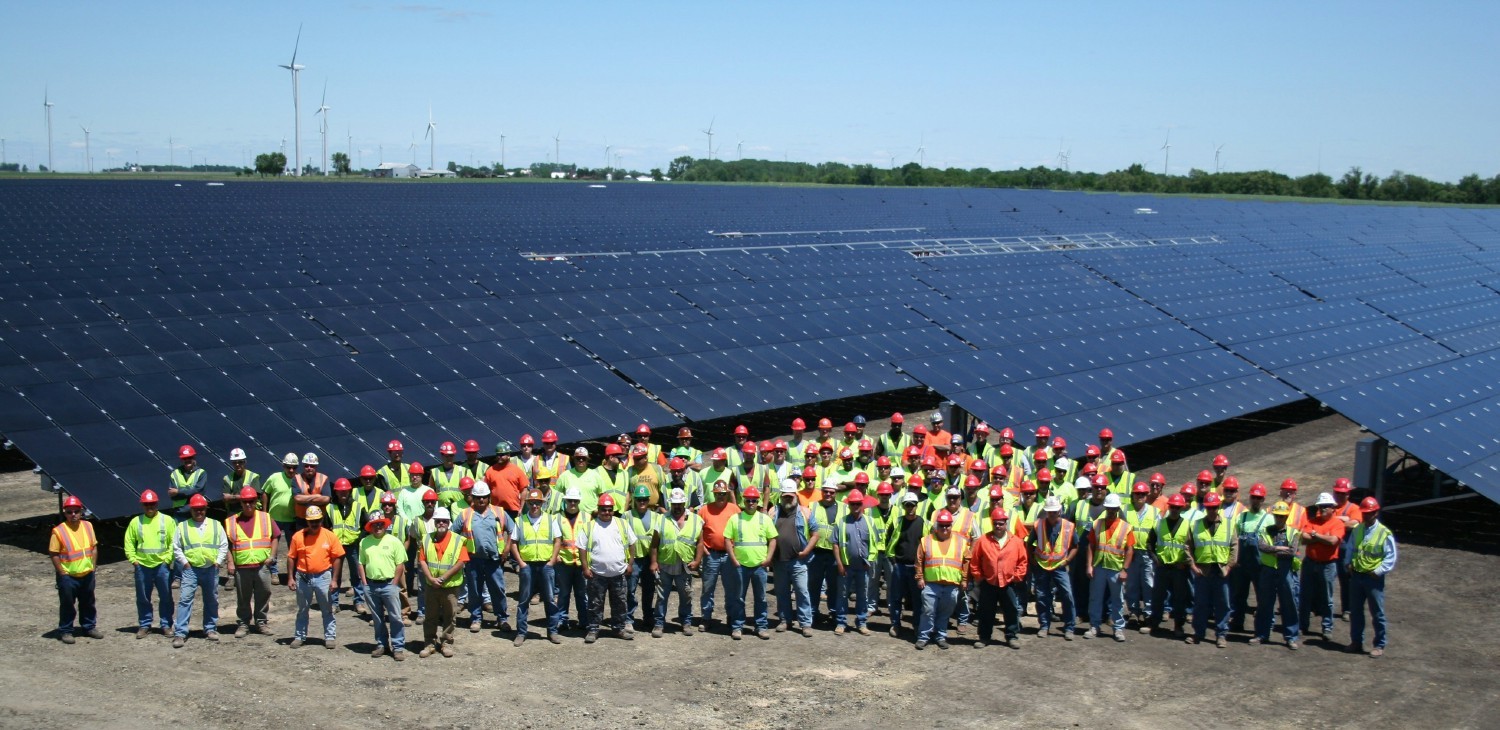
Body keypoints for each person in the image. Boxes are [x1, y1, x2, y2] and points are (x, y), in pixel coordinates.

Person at [455, 483, 519, 635]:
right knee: (474, 590)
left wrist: (507, 549)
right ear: (473, 498)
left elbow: (513, 530)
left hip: (494, 560)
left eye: (484, 497)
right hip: (473, 560)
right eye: (478, 497)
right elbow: (453, 534)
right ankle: (476, 618)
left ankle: (502, 618)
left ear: (488, 497)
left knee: (497, 589)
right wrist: (461, 553)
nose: (481, 500)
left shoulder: (499, 512)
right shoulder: (465, 514)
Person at [578, 494, 638, 642]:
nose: (606, 513)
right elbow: (582, 548)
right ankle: (593, 629)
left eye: (609, 509)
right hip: (597, 573)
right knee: (594, 603)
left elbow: (632, 544)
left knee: (620, 603)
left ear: (613, 510)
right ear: (598, 509)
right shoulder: (590, 526)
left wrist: (630, 564)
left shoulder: (622, 524)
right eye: (603, 509)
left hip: (619, 573)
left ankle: (619, 628)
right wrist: (585, 568)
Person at [172, 494, 227, 648]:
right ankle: (180, 633)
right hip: (191, 569)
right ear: (191, 510)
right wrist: (185, 563)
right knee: (185, 600)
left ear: (206, 509)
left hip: (210, 568)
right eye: (196, 509)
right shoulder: (182, 526)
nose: (199, 512)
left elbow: (223, 544)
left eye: (201, 509)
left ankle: (210, 629)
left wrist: (218, 562)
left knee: (211, 599)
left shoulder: (216, 525)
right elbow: (176, 547)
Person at [723, 486, 777, 640]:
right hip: (741, 566)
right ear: (743, 501)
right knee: (738, 597)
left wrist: (768, 559)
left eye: (754, 500)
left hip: (759, 566)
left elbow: (773, 539)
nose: (751, 503)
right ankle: (737, 626)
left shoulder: (764, 519)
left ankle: (761, 626)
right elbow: (727, 539)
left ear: (758, 501)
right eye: (748, 500)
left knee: (761, 598)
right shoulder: (735, 518)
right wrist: (733, 558)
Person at [970, 507, 1028, 649]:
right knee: (985, 611)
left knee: (1011, 610)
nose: (998, 526)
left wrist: (1017, 577)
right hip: (989, 582)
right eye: (995, 523)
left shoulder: (1016, 542)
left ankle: (1011, 636)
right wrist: (979, 577)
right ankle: (984, 637)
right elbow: (975, 561)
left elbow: (1023, 561)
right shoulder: (983, 541)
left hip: (1008, 583)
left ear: (1006, 523)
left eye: (1001, 523)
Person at [286, 505, 342, 649]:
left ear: (322, 520)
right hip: (303, 577)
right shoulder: (298, 536)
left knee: (327, 608)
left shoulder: (330, 536)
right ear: (307, 521)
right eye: (312, 521)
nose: (315, 523)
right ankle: (299, 636)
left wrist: (334, 579)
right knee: (302, 609)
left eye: (317, 520)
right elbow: (291, 557)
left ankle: (329, 637)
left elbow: (337, 558)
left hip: (323, 576)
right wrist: (290, 578)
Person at [1185, 493, 1237, 648]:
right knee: (1200, 604)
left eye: (1214, 507)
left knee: (1223, 604)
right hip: (1203, 570)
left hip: (1221, 570)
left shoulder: (1229, 524)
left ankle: (1221, 635)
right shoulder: (1195, 525)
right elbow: (1187, 547)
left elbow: (1234, 546)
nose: (1212, 510)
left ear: (1219, 507)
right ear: (1205, 508)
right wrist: (1193, 566)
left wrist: (1229, 566)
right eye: (1209, 508)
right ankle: (1198, 633)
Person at [226, 486, 279, 638]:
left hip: (262, 565)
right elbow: (228, 544)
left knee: (264, 594)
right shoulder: (232, 521)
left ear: (256, 501)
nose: (248, 504)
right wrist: (230, 562)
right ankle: (243, 624)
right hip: (242, 567)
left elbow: (275, 536)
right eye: (245, 502)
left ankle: (261, 622)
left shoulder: (265, 518)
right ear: (241, 503)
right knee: (243, 597)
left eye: (251, 501)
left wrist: (272, 556)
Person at [1348, 497, 1397, 657]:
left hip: (1373, 578)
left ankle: (1379, 644)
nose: (1365, 516)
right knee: (1355, 611)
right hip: (1357, 575)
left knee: (1377, 612)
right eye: (1364, 513)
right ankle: (1356, 642)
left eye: (1369, 513)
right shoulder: (1358, 529)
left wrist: (1378, 571)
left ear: (1375, 513)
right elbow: (1351, 547)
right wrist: (1347, 563)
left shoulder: (1384, 533)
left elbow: (1390, 556)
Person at [651, 488, 703, 637]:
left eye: (680, 503)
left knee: (686, 595)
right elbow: (654, 544)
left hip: (684, 566)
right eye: (674, 504)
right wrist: (654, 562)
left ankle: (686, 622)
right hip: (665, 564)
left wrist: (697, 560)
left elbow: (700, 543)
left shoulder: (696, 520)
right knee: (662, 596)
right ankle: (659, 624)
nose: (677, 506)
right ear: (670, 504)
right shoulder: (661, 519)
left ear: (685, 503)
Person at [417, 506, 469, 657]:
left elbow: (461, 561)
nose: (441, 524)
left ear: (448, 522)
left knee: (449, 615)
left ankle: (446, 643)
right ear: (434, 522)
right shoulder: (426, 538)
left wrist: (444, 577)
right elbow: (422, 560)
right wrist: (430, 578)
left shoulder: (458, 540)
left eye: (444, 521)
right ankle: (429, 643)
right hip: (431, 585)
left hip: (450, 586)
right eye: (438, 521)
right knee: (430, 616)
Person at [514, 488, 563, 645]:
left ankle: (552, 631)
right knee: (523, 600)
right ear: (527, 503)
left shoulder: (550, 519)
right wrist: (520, 563)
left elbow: (557, 540)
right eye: (531, 502)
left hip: (546, 565)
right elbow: (513, 543)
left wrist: (552, 561)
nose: (534, 506)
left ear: (542, 503)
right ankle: (521, 633)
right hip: (527, 565)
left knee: (549, 599)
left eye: (537, 503)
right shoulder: (520, 521)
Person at [914, 510, 969, 650]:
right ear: (937, 526)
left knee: (945, 613)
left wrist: (964, 580)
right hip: (931, 584)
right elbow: (919, 560)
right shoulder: (926, 540)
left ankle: (940, 636)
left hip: (952, 585)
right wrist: (919, 577)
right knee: (928, 610)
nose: (945, 528)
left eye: (948, 525)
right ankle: (923, 637)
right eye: (942, 525)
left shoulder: (961, 542)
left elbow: (966, 562)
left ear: (951, 525)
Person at [51, 495, 102, 644]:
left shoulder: (88, 526)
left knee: (88, 602)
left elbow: (94, 547)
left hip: (87, 573)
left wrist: (93, 566)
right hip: (68, 576)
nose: (73, 514)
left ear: (81, 512)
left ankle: (89, 627)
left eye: (76, 511)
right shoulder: (59, 531)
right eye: (69, 512)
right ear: (64, 512)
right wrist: (62, 572)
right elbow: (53, 554)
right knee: (67, 604)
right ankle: (66, 630)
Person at [125, 490, 176, 638]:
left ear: (157, 504)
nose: (150, 507)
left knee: (166, 596)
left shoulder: (167, 520)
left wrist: (167, 560)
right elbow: (129, 542)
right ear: (142, 505)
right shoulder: (136, 522)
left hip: (162, 565)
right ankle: (144, 624)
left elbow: (174, 542)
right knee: (143, 597)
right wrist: (133, 560)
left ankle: (166, 625)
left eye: (152, 504)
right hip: (142, 566)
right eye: (147, 504)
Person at [1253, 501, 1303, 649]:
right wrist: (1280, 548)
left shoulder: (1293, 532)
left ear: (1287, 517)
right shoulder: (1265, 530)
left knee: (1289, 603)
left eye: (1282, 516)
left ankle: (1291, 637)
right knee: (1264, 603)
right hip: (1268, 569)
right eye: (1277, 516)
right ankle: (1262, 634)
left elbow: (1292, 551)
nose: (1279, 519)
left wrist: (1273, 549)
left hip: (1285, 570)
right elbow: (1262, 547)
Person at [769, 479, 815, 636]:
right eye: (785, 496)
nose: (788, 498)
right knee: (782, 592)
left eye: (791, 496)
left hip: (798, 560)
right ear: (781, 496)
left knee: (802, 591)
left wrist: (807, 550)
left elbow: (815, 534)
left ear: (796, 495)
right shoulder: (773, 512)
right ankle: (784, 620)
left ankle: (805, 623)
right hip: (779, 561)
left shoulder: (805, 512)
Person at [359, 513, 408, 660]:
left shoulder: (394, 541)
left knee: (395, 617)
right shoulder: (364, 542)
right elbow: (361, 563)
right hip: (371, 585)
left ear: (385, 525)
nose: (378, 527)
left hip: (389, 584)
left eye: (380, 524)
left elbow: (400, 564)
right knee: (377, 618)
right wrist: (364, 583)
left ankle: (398, 647)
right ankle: (382, 644)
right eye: (375, 524)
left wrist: (394, 583)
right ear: (370, 526)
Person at [1086, 493, 1134, 642]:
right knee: (1095, 598)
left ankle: (1118, 628)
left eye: (1114, 509)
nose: (1111, 511)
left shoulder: (1126, 527)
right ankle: (1094, 626)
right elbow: (1091, 546)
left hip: (1116, 568)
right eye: (1109, 508)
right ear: (1105, 508)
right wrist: (1089, 565)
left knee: (1117, 600)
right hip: (1099, 566)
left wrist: (1125, 569)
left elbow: (1130, 549)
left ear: (1118, 509)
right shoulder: (1097, 524)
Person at [1300, 492, 1346, 642]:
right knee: (1305, 595)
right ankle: (1302, 625)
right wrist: (1321, 537)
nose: (1323, 509)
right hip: (1310, 562)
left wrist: (1316, 535)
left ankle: (1327, 627)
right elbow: (1303, 538)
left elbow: (1333, 541)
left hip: (1328, 565)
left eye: (1326, 507)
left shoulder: (1338, 524)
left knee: (1327, 598)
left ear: (1333, 508)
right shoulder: (1312, 521)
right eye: (1321, 507)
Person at [695, 480, 740, 630]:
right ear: (713, 494)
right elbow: (697, 531)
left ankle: (731, 616)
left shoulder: (734, 509)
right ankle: (706, 617)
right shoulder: (704, 510)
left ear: (727, 494)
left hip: (729, 554)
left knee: (731, 588)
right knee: (708, 587)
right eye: (717, 494)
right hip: (711, 554)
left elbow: (740, 531)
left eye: (723, 494)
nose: (720, 497)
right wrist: (703, 550)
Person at [1147, 494, 1193, 637]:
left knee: (1180, 598)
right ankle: (1154, 624)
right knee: (1158, 597)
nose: (1174, 510)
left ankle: (1178, 626)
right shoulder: (1159, 524)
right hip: (1162, 567)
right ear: (1168, 507)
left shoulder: (1188, 525)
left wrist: (1185, 562)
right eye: (1172, 507)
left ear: (1182, 508)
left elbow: (1193, 547)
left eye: (1177, 507)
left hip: (1179, 568)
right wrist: (1155, 560)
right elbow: (1149, 544)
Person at [1229, 483, 1273, 634]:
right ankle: (1237, 622)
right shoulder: (1242, 517)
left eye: (1259, 498)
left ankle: (1263, 626)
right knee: (1239, 595)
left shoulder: (1269, 520)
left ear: (1263, 499)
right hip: (1242, 564)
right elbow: (1234, 539)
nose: (1256, 500)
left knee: (1263, 597)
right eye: (1253, 497)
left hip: (1259, 565)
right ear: (1250, 498)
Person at [834, 489, 878, 636]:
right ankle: (841, 622)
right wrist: (839, 563)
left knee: (862, 596)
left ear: (862, 504)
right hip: (846, 567)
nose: (855, 506)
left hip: (863, 567)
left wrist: (870, 561)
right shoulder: (842, 522)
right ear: (849, 505)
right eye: (853, 504)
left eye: (858, 503)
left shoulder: (870, 521)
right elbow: (836, 544)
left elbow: (874, 543)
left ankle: (861, 622)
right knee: (842, 595)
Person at [1032, 496, 1077, 640]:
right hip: (1042, 566)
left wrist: (1068, 560)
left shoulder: (1068, 526)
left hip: (1059, 566)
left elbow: (1075, 546)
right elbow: (1028, 544)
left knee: (1067, 595)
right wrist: (1033, 560)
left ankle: (1069, 627)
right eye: (1049, 512)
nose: (1051, 514)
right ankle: (1044, 626)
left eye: (1054, 511)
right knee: (1042, 597)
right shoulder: (1038, 525)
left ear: (1059, 511)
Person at [325, 479, 365, 614]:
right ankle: (334, 603)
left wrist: (359, 539)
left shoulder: (358, 507)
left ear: (349, 491)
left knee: (357, 575)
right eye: (340, 491)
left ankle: (359, 602)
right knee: (334, 576)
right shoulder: (330, 508)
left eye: (345, 491)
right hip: (336, 546)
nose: (343, 493)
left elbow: (366, 526)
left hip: (353, 546)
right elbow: (325, 527)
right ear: (335, 492)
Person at [807, 482, 845, 627]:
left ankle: (834, 612)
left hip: (835, 553)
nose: (828, 494)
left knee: (835, 586)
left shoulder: (844, 507)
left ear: (836, 493)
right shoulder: (813, 506)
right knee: (814, 585)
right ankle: (812, 613)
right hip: (816, 552)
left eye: (831, 492)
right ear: (821, 491)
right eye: (826, 491)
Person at [623, 486, 662, 627]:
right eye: (639, 500)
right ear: (634, 500)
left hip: (650, 559)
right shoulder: (626, 516)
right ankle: (628, 619)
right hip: (633, 560)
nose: (642, 502)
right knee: (630, 590)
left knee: (649, 589)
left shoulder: (656, 516)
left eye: (644, 499)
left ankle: (648, 616)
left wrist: (657, 561)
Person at [1121, 483, 1158, 628]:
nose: (1140, 497)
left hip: (1147, 553)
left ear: (1147, 495)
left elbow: (1158, 534)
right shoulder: (1126, 510)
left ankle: (1148, 613)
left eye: (1143, 494)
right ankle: (1133, 612)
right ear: (1133, 495)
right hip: (1131, 553)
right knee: (1132, 584)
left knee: (1149, 584)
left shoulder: (1154, 512)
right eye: (1137, 494)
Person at [553, 487, 589, 632]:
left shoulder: (587, 517)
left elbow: (591, 540)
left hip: (582, 563)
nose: (572, 503)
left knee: (582, 594)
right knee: (563, 593)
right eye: (570, 500)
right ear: (565, 501)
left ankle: (584, 620)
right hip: (564, 563)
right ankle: (562, 620)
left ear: (579, 501)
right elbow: (553, 539)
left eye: (575, 500)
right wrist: (556, 556)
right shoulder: (557, 517)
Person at [484, 441, 529, 519]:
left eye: (502, 455)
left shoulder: (516, 470)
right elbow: (485, 491)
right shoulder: (490, 471)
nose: (499, 457)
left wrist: (521, 508)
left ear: (508, 455)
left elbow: (524, 490)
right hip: (496, 510)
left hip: (513, 510)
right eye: (498, 455)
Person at [168, 444, 208, 517]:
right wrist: (190, 491)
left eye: (189, 457)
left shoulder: (201, 473)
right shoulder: (174, 474)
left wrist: (178, 491)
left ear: (194, 458)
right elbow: (173, 496)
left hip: (197, 512)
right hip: (180, 513)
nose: (187, 460)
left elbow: (199, 491)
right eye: (184, 458)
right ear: (181, 459)